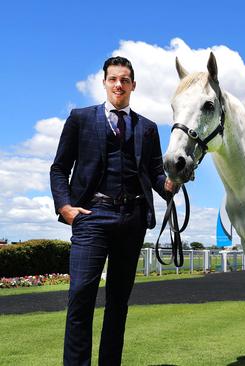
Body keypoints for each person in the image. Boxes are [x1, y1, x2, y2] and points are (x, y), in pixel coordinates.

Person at [50, 56, 175, 365]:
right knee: (80, 297)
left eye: (125, 80)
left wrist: (173, 182)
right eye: (113, 79)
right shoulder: (80, 118)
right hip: (92, 216)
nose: (119, 84)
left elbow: (156, 175)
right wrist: (66, 208)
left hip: (132, 220)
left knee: (118, 304)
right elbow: (59, 169)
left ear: (133, 85)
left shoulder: (147, 128)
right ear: (104, 82)